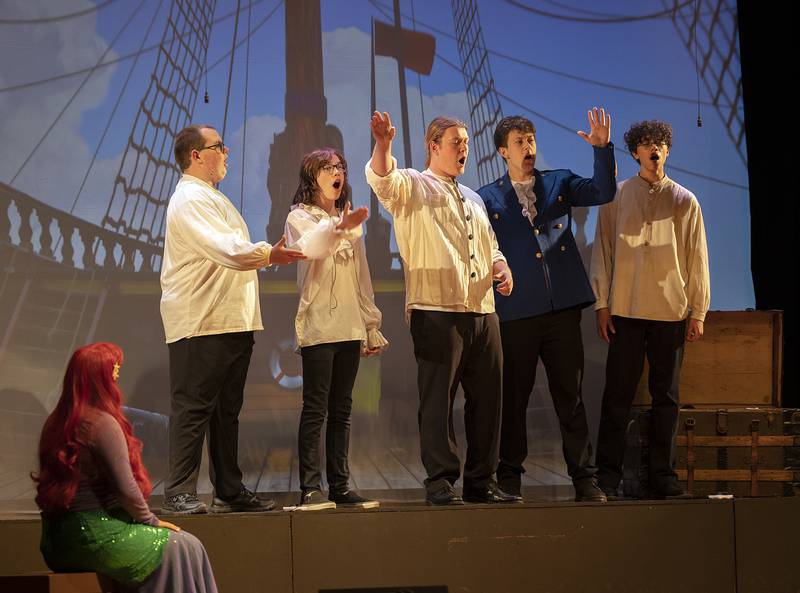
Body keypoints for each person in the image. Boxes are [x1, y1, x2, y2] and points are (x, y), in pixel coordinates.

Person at [365, 111, 517, 506]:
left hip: (483, 310)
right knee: (438, 400)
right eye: (456, 142)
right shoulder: (414, 185)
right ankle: (440, 481)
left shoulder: (474, 198)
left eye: (466, 142)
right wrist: (383, 146)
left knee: (488, 399)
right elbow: (382, 180)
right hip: (437, 309)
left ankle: (481, 480)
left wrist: (500, 265)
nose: (464, 148)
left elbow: (489, 245)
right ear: (434, 146)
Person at [160, 124, 305, 514]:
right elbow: (225, 249)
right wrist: (267, 254)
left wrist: (262, 255)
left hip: (230, 321)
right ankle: (177, 491)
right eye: (219, 147)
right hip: (202, 321)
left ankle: (228, 487)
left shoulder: (210, 198)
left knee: (226, 411)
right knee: (193, 407)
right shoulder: (189, 199)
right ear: (196, 155)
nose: (227, 153)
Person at [477, 110, 616, 502]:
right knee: (514, 400)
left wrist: (603, 149)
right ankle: (509, 479)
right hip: (517, 311)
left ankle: (585, 479)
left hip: (561, 310)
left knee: (569, 397)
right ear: (504, 151)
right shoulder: (487, 198)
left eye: (532, 140)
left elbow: (603, 192)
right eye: (519, 142)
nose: (528, 148)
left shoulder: (559, 181)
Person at [33, 342, 218, 592]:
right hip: (95, 536)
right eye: (114, 371)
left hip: (57, 541)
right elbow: (126, 488)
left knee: (186, 545)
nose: (117, 377)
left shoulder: (55, 421)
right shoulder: (101, 423)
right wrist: (151, 521)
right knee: (182, 545)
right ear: (100, 379)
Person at [591, 119, 710, 499]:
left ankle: (663, 477)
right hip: (625, 309)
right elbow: (603, 251)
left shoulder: (684, 200)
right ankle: (606, 477)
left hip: (670, 313)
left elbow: (696, 258)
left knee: (666, 399)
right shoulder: (617, 195)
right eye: (646, 143)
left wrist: (698, 311)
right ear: (635, 153)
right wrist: (602, 303)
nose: (653, 148)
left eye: (660, 143)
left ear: (667, 150)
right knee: (617, 396)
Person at [285, 148, 388, 510]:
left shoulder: (350, 223)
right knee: (316, 408)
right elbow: (313, 248)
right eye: (328, 167)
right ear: (313, 177)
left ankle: (340, 485)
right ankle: (311, 488)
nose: (337, 172)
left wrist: (370, 324)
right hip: (318, 326)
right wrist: (338, 227)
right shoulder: (299, 216)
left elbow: (362, 276)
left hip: (348, 324)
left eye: (341, 167)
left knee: (342, 409)